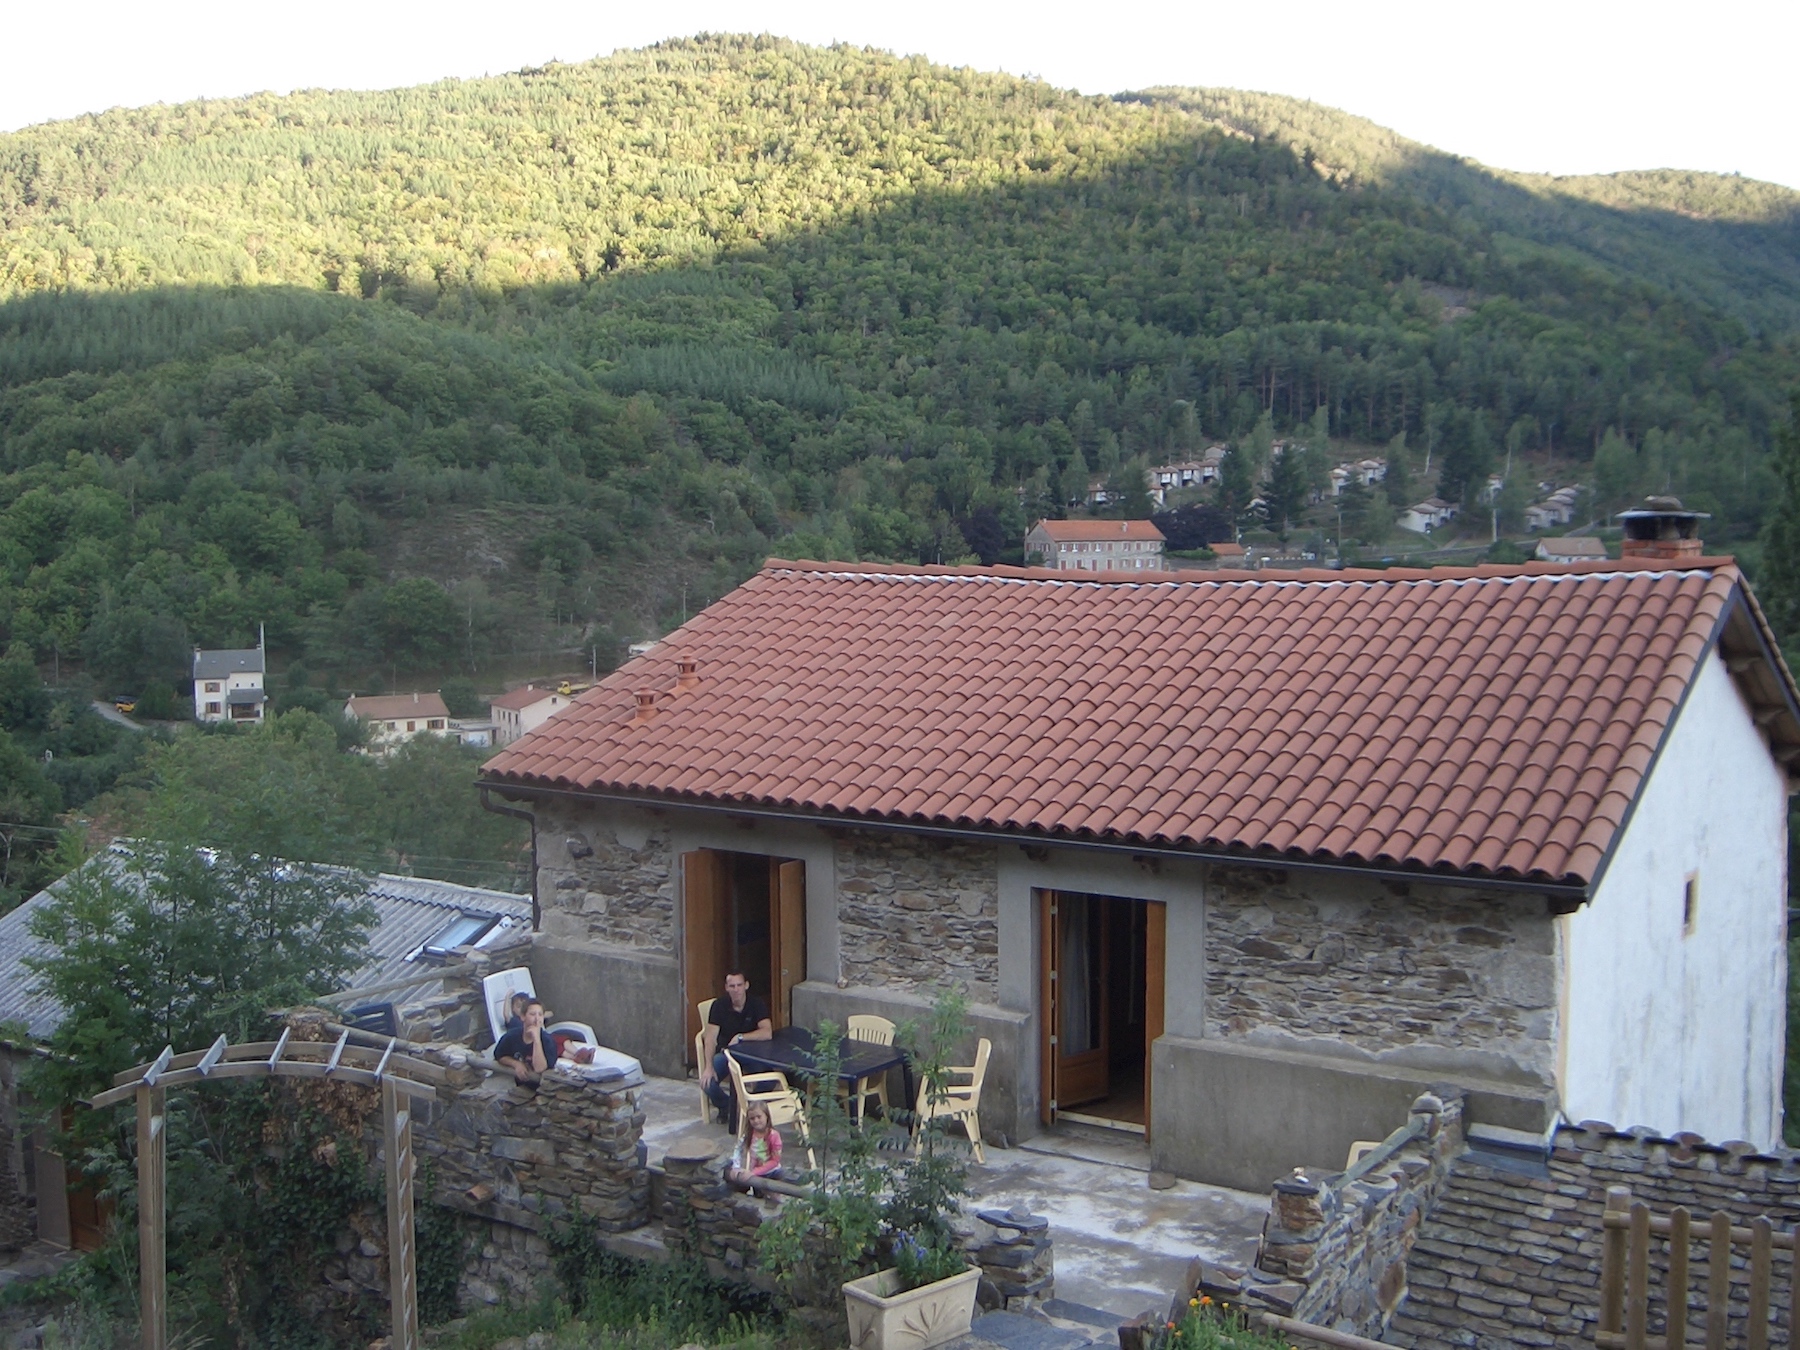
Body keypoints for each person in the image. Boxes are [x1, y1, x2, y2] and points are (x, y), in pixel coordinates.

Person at [699, 971, 772, 1131]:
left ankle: (751, 1108)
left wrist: (742, 1037)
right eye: (732, 986)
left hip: (751, 1054)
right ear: (726, 988)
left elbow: (767, 1032)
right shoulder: (719, 1005)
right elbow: (710, 1038)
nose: (736, 989)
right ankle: (728, 1107)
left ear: (746, 985)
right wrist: (708, 1067)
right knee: (707, 1083)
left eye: (739, 985)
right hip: (727, 1054)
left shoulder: (756, 1003)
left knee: (771, 1077)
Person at [494, 999, 562, 1085]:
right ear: (523, 1016)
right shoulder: (511, 1035)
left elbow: (539, 1068)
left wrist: (537, 1040)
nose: (537, 1019)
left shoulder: (548, 1041)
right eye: (532, 1014)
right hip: (518, 1086)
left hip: (543, 1089)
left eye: (540, 1015)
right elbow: (499, 1055)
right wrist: (516, 1064)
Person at [728, 1100, 783, 1192]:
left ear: (767, 1116)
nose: (756, 1120)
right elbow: (738, 1149)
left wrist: (753, 1172)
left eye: (759, 1117)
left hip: (773, 1172)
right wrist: (736, 1167)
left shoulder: (773, 1135)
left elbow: (775, 1161)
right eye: (752, 1118)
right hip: (756, 1174)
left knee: (774, 1196)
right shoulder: (749, 1134)